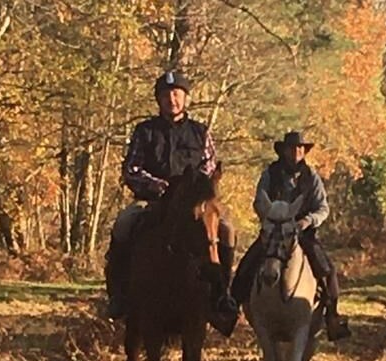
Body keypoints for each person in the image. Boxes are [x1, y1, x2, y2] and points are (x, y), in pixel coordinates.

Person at [104, 71, 238, 336]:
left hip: (193, 203)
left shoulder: (200, 132)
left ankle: (223, 295)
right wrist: (159, 186)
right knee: (124, 223)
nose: (171, 99)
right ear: (158, 100)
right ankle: (119, 294)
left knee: (226, 229)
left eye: (176, 94)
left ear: (186, 98)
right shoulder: (145, 131)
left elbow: (210, 166)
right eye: (166, 95)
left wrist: (194, 188)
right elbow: (131, 168)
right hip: (155, 201)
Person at [230, 131, 351, 340]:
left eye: (300, 148)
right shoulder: (270, 174)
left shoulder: (312, 177)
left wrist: (308, 221)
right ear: (283, 151)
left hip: (302, 233)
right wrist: (268, 218)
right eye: (292, 148)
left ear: (304, 152)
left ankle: (332, 316)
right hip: (274, 231)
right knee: (246, 265)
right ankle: (231, 310)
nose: (296, 151)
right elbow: (259, 200)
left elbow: (323, 208)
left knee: (327, 269)